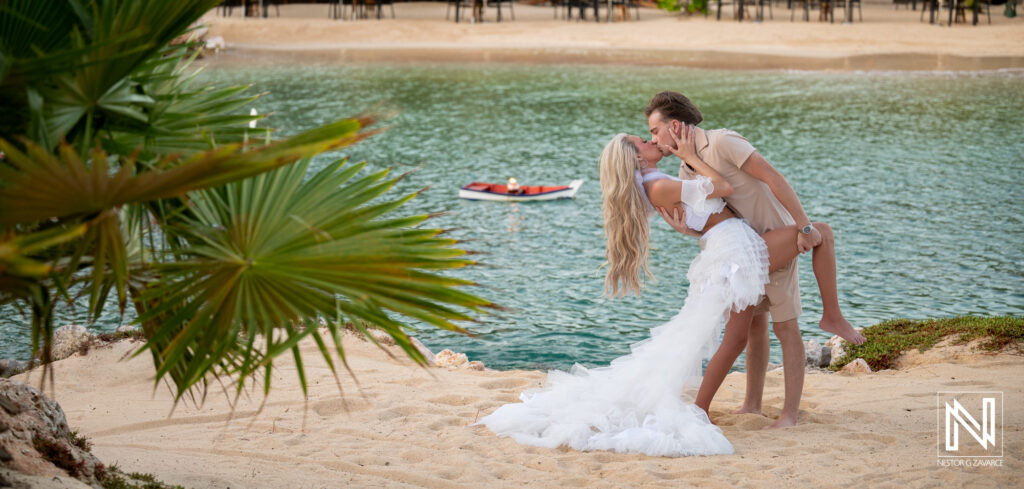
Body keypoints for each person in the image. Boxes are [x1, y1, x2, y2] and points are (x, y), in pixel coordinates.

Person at [472, 129, 853, 456]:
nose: (651, 141)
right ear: (637, 158)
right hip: (737, 252)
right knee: (818, 233)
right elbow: (723, 187)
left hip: (732, 249)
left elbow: (703, 214)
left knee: (737, 336)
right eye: (644, 140)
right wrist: (690, 155)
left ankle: (712, 407)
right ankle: (827, 318)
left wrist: (691, 223)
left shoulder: (654, 182)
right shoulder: (659, 183)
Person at [645, 91, 865, 428]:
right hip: (745, 250)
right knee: (755, 326)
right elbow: (718, 216)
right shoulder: (685, 171)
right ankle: (752, 404)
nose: (653, 139)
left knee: (785, 326)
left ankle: (790, 413)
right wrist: (684, 230)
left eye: (654, 131)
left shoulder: (723, 143)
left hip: (777, 238)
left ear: (674, 126)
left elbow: (772, 177)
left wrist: (803, 226)